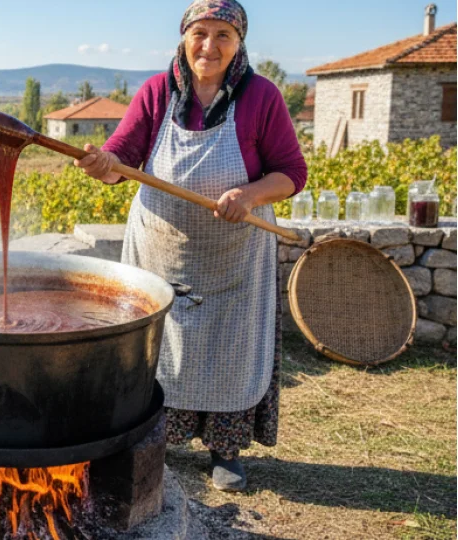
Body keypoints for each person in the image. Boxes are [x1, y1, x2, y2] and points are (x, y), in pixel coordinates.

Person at [75, 0, 307, 492]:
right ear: (183, 37)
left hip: (236, 252)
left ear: (239, 42)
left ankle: (226, 453)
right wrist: (105, 163)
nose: (209, 45)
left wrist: (249, 194)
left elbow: (292, 173)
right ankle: (157, 443)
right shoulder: (158, 92)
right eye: (200, 33)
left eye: (223, 35)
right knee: (160, 353)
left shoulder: (261, 96)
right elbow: (124, 154)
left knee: (231, 349)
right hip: (161, 252)